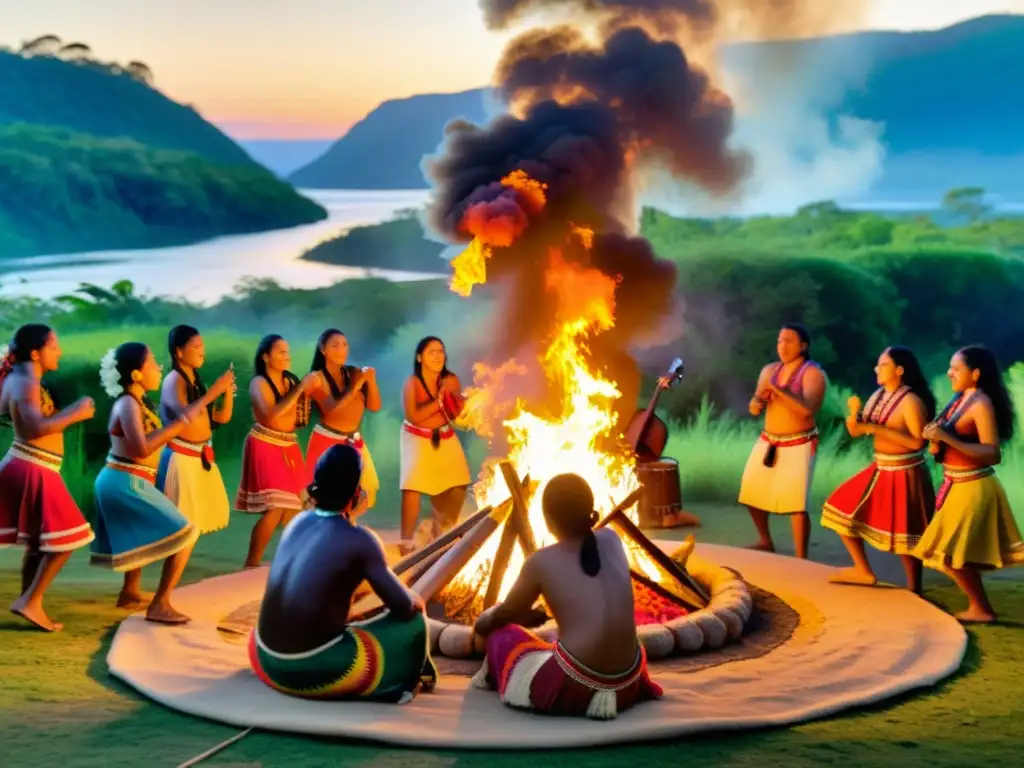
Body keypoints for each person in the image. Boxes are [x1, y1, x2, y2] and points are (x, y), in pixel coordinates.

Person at [249, 443, 438, 702]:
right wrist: (414, 601)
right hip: (306, 671)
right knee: (415, 622)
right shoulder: (361, 540)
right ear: (357, 492)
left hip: (262, 656)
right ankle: (401, 685)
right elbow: (404, 607)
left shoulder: (297, 522)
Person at [472, 473, 663, 720]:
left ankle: (491, 676)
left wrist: (483, 622)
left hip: (575, 686)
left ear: (548, 521)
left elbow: (508, 614)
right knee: (554, 640)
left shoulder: (539, 562)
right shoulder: (612, 538)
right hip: (629, 682)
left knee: (503, 637)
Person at [90, 342, 231, 623]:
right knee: (185, 533)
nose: (159, 367)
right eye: (152, 363)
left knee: (143, 535)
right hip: (124, 481)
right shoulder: (127, 404)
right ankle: (161, 603)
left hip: (132, 479)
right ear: (137, 375)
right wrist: (177, 428)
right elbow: (141, 449)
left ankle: (130, 592)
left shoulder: (140, 403)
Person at [913, 345, 1024, 623]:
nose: (949, 373)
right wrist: (936, 441)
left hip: (974, 487)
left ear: (975, 374)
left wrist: (947, 438)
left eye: (956, 368)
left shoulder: (981, 404)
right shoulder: (960, 400)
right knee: (950, 553)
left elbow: (992, 453)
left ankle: (981, 609)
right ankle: (981, 608)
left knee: (947, 552)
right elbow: (949, 443)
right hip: (956, 484)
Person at [0, 325, 96, 631]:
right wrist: (75, 412)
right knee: (67, 538)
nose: (60, 352)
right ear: (35, 353)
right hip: (32, 467)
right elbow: (34, 429)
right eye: (54, 346)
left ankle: (30, 601)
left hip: (32, 465)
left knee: (40, 542)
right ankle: (30, 601)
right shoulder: (25, 381)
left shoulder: (21, 380)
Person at [821, 346, 937, 593]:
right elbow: (857, 431)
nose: (876, 368)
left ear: (899, 370)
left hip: (905, 471)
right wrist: (853, 413)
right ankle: (863, 570)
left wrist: (878, 430)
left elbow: (918, 442)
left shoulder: (911, 401)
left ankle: (915, 588)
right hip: (880, 467)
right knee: (841, 507)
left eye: (883, 365)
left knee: (907, 533)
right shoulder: (878, 396)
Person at [738, 323, 827, 559]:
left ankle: (800, 557)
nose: (782, 346)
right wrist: (757, 403)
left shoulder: (813, 373)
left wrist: (779, 390)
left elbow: (807, 410)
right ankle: (765, 540)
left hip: (799, 443)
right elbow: (755, 406)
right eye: (779, 340)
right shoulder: (769, 371)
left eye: (788, 341)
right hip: (768, 440)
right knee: (750, 491)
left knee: (796, 503)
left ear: (803, 346)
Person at [236, 334, 320, 568]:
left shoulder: (290, 381)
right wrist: (300, 387)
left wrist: (310, 389)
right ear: (266, 357)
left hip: (288, 444)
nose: (287, 356)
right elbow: (271, 415)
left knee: (296, 508)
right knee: (275, 506)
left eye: (287, 351)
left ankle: (294, 559)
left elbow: (299, 414)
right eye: (281, 352)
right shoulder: (259, 383)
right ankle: (251, 562)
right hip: (264, 442)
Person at [157, 325, 236, 536]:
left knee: (193, 530)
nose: (202, 350)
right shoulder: (174, 380)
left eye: (203, 346)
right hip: (181, 458)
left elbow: (220, 418)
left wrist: (226, 393)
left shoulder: (195, 382)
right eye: (196, 346)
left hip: (200, 457)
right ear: (179, 351)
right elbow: (186, 415)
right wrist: (215, 391)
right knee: (184, 530)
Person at [399, 336, 472, 555]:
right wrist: (440, 400)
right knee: (413, 485)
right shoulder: (412, 383)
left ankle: (443, 530)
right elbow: (415, 417)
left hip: (445, 435)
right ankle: (406, 541)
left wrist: (464, 402)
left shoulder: (451, 380)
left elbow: (455, 412)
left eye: (441, 351)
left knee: (459, 482)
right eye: (432, 352)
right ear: (419, 357)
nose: (439, 355)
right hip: (416, 436)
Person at [305, 328, 382, 508]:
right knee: (330, 497)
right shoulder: (317, 378)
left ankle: (346, 527)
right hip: (327, 442)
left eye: (345, 345)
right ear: (323, 350)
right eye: (335, 345)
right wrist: (355, 387)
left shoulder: (353, 372)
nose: (341, 349)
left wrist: (370, 381)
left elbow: (374, 406)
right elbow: (332, 411)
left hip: (353, 441)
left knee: (363, 494)